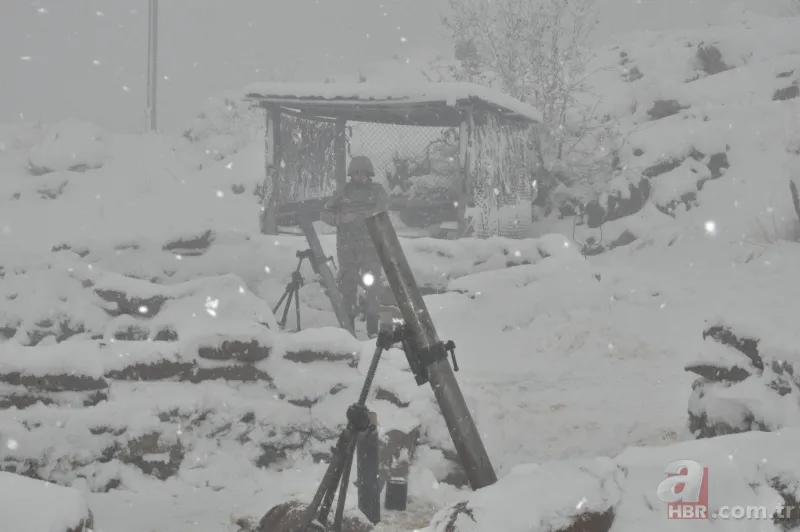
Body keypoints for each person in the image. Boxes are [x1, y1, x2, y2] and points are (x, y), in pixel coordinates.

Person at [321, 156, 390, 338]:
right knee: (347, 288)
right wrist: (340, 219)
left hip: (370, 248)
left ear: (369, 174)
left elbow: (383, 211)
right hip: (347, 248)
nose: (361, 176)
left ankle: (374, 331)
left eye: (364, 173)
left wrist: (363, 217)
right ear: (352, 174)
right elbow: (325, 213)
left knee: (373, 287)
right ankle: (348, 331)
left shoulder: (377, 191)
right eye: (357, 173)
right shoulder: (343, 192)